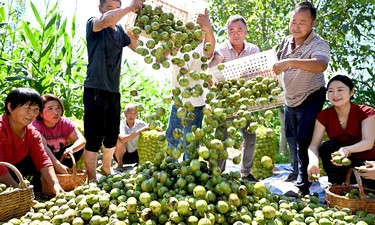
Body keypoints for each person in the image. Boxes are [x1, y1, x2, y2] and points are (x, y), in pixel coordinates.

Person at [273, 1, 330, 196]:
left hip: (311, 95)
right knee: (291, 138)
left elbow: (320, 65)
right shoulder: (286, 42)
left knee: (304, 138)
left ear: (313, 23)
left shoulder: (319, 43)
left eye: (302, 23)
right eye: (293, 22)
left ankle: (302, 187)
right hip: (291, 98)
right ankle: (297, 171)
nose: (296, 27)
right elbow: (274, 63)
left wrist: (289, 62)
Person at [83, 0, 144, 181]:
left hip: (113, 91)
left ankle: (107, 170)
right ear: (100, 8)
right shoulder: (94, 23)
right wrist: (129, 8)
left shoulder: (119, 31)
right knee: (93, 138)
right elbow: (105, 21)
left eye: (117, 8)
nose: (115, 12)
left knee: (111, 136)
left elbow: (135, 47)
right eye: (110, 8)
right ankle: (92, 179)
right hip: (95, 88)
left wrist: (135, 36)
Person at [209, 15, 260, 182]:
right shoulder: (222, 49)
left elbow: (257, 73)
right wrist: (212, 72)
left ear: (245, 31)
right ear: (227, 32)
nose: (235, 34)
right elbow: (216, 61)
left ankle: (246, 173)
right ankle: (217, 172)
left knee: (250, 136)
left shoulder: (253, 50)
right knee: (221, 136)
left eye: (239, 30)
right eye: (231, 30)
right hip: (226, 100)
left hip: (246, 100)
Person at [307, 75, 375, 188]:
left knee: (368, 191)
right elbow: (313, 145)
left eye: (340, 90)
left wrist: (346, 150)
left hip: (367, 163)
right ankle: (336, 184)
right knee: (327, 147)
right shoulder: (324, 115)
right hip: (340, 164)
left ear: (351, 92)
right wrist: (313, 162)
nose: (335, 94)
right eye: (330, 91)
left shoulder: (366, 112)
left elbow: (368, 142)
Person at [166, 9, 215, 161]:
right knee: (171, 138)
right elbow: (163, 54)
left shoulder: (202, 48)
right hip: (178, 102)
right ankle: (171, 169)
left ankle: (189, 172)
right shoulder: (180, 47)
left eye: (200, 31)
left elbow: (210, 48)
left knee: (190, 142)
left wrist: (208, 28)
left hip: (195, 105)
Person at [0, 88, 64, 195]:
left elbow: (42, 160)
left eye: (36, 109)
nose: (32, 114)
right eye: (27, 108)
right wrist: (20, 191)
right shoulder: (1, 128)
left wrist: (55, 185)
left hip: (11, 169)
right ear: (10, 107)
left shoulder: (32, 133)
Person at [33, 94, 86, 169]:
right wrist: (57, 165)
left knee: (78, 149)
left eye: (58, 108)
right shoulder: (35, 125)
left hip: (60, 156)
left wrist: (71, 149)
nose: (56, 112)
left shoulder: (65, 122)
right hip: (43, 158)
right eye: (50, 109)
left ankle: (66, 172)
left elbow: (81, 140)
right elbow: (43, 147)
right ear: (40, 113)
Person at [114, 104, 149, 169]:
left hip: (137, 155)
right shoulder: (121, 124)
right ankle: (120, 164)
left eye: (135, 113)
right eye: (129, 113)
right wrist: (140, 131)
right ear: (124, 113)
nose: (132, 116)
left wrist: (157, 129)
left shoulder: (141, 124)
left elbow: (151, 130)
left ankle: (140, 163)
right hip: (123, 156)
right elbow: (122, 139)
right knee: (118, 140)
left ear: (137, 114)